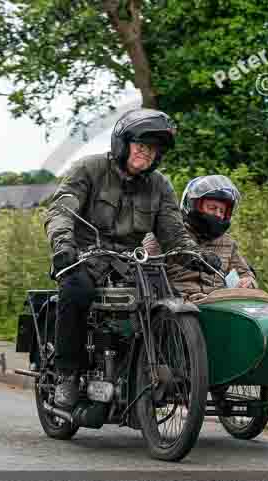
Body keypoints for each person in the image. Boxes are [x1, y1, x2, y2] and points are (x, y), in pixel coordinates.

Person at [43, 108, 222, 410]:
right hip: (85, 257)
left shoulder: (160, 185)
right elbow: (62, 210)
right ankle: (67, 374)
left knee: (167, 298)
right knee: (77, 292)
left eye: (153, 148)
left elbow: (173, 233)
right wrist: (63, 246)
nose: (146, 152)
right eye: (141, 144)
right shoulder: (90, 169)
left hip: (130, 262)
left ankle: (153, 372)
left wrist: (195, 256)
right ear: (123, 143)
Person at [143, 175, 257, 300]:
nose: (217, 215)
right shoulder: (169, 235)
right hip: (178, 309)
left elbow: (244, 273)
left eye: (222, 211)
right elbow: (148, 275)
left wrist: (247, 281)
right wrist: (178, 298)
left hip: (218, 305)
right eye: (212, 208)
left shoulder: (228, 243)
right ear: (192, 205)